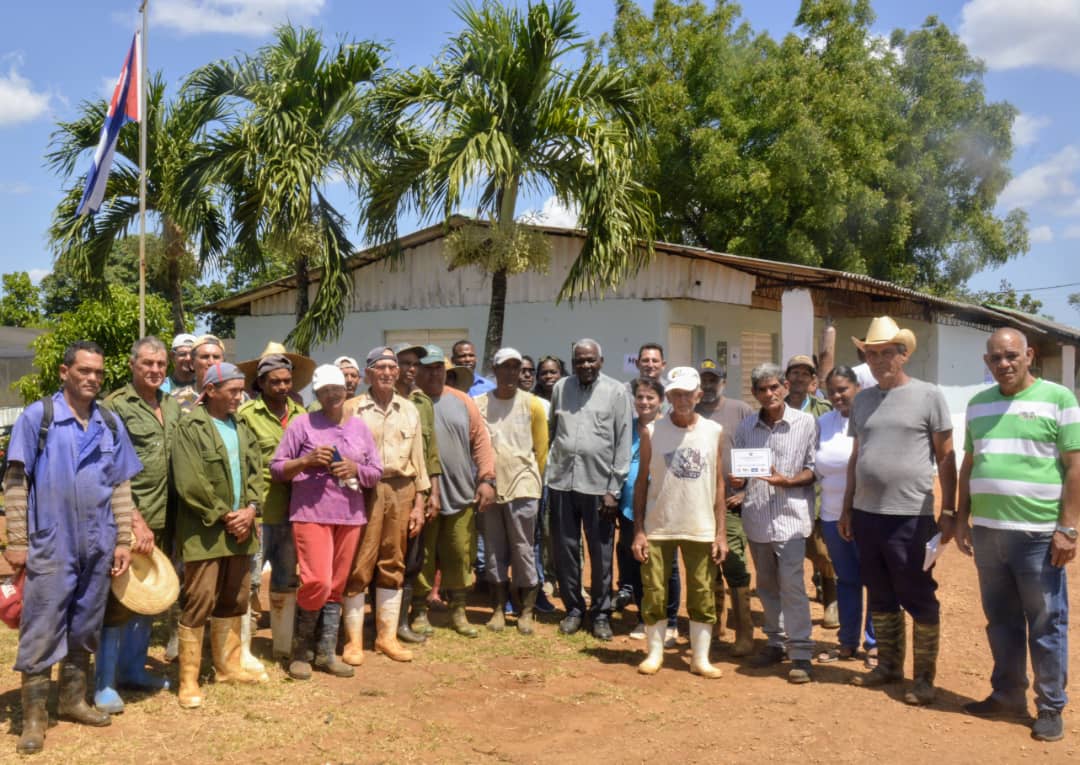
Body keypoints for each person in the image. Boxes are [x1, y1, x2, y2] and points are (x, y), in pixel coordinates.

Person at [3, 341, 140, 754]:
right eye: (84, 371)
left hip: (96, 545)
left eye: (98, 372)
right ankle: (34, 718)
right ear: (65, 372)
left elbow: (120, 486)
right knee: (41, 628)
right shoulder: (39, 418)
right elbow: (15, 483)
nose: (92, 378)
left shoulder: (109, 422)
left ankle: (73, 700)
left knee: (85, 625)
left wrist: (122, 539)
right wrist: (17, 541)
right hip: (51, 543)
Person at [956, 328, 1079, 742]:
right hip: (989, 534)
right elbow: (969, 465)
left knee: (1045, 622)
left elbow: (1074, 466)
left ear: (1029, 355)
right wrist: (961, 518)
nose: (1003, 364)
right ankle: (1007, 694)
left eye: (1011, 356)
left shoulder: (1058, 398)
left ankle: (1049, 706)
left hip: (1039, 536)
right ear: (986, 361)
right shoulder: (977, 405)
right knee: (1001, 621)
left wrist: (1068, 527)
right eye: (995, 358)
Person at [840, 316, 956, 706]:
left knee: (918, 593)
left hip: (912, 514)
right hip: (866, 514)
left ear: (903, 355)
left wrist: (950, 510)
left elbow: (946, 457)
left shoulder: (929, 395)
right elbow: (857, 456)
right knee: (881, 592)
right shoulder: (864, 400)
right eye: (871, 354)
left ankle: (924, 678)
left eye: (886, 353)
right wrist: (846, 508)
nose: (877, 360)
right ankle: (889, 666)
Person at [271, 364, 383, 680]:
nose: (332, 395)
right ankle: (300, 651)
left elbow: (376, 472)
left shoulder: (360, 428)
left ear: (346, 390)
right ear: (317, 395)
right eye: (324, 391)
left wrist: (354, 469)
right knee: (316, 580)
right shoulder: (301, 425)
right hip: (311, 514)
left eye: (337, 389)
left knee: (336, 585)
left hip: (350, 516)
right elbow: (277, 468)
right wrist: (306, 461)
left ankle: (325, 652)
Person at [95, 337, 181, 715]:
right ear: (132, 365)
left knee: (147, 598)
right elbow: (107, 470)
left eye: (161, 364)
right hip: (128, 520)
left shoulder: (172, 405)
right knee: (116, 601)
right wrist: (134, 518)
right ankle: (105, 682)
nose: (155, 370)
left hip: (165, 517)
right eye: (147, 363)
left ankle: (133, 669)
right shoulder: (115, 407)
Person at [171, 362, 264, 709]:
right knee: (200, 599)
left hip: (242, 529)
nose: (240, 397)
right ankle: (189, 679)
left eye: (241, 391)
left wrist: (251, 509)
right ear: (210, 391)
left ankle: (227, 667)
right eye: (234, 391)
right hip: (206, 531)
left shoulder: (241, 425)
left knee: (235, 597)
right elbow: (189, 481)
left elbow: (256, 470)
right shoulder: (190, 427)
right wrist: (227, 515)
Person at [632, 367, 727, 678]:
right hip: (659, 525)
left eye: (688, 393)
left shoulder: (714, 431)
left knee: (702, 590)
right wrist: (639, 530)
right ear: (668, 397)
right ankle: (654, 653)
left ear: (698, 394)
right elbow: (641, 483)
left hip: (700, 527)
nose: (682, 399)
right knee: (654, 589)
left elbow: (719, 483)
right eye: (676, 394)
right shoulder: (652, 432)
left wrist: (721, 533)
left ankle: (700, 658)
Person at [342, 347, 430, 663]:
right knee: (359, 561)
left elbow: (418, 460)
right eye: (381, 367)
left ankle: (386, 637)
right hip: (364, 490)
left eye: (392, 367)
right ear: (368, 373)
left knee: (394, 560)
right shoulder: (352, 408)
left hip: (402, 489)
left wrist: (419, 503)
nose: (388, 373)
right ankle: (352, 641)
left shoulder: (409, 409)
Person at [734, 363, 818, 684]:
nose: (769, 394)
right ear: (754, 393)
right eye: (761, 389)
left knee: (793, 585)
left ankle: (801, 653)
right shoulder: (745, 428)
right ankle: (775, 641)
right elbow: (742, 477)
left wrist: (788, 481)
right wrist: (737, 480)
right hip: (757, 519)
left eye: (773, 387)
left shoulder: (806, 424)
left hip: (792, 519)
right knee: (766, 586)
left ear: (784, 387)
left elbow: (813, 470)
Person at [547, 338, 632, 640]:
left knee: (601, 553)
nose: (585, 365)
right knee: (566, 550)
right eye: (579, 361)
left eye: (590, 360)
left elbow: (623, 442)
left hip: (599, 488)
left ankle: (601, 614)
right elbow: (552, 433)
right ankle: (573, 609)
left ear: (601, 361)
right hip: (562, 483)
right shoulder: (561, 388)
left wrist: (614, 488)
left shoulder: (616, 391)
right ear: (572, 363)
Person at [414, 346, 496, 637]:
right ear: (418, 372)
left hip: (461, 494)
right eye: (428, 368)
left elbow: (481, 442)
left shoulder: (463, 401)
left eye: (439, 368)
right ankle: (419, 611)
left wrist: (486, 479)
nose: (435, 373)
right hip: (423, 496)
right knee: (422, 555)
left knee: (461, 553)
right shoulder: (411, 402)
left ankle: (458, 611)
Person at [237, 353, 308, 663]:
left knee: (285, 578)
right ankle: (241, 649)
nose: (282, 387)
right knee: (250, 581)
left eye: (287, 381)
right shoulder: (246, 415)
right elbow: (241, 466)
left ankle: (282, 644)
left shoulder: (301, 414)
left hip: (294, 512)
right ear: (261, 383)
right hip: (260, 511)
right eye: (275, 381)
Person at [475, 348, 548, 634]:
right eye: (504, 367)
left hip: (523, 486)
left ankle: (526, 611)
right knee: (493, 549)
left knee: (523, 548)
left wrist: (529, 478)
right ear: (494, 370)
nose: (510, 373)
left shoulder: (532, 404)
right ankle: (497, 609)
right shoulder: (479, 404)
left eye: (515, 368)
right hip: (490, 487)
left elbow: (541, 449)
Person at [814, 366, 876, 665]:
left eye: (843, 390)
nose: (838, 396)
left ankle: (875, 643)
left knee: (876, 580)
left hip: (868, 515)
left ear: (857, 387)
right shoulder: (823, 423)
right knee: (847, 580)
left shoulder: (873, 420)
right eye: (832, 391)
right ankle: (848, 642)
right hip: (830, 515)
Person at [614, 377, 681, 643]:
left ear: (661, 401)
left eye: (650, 398)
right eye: (640, 397)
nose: (644, 402)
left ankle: (672, 622)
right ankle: (644, 618)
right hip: (632, 507)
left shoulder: (669, 428)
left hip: (665, 508)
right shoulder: (626, 428)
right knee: (638, 561)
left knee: (669, 567)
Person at [695, 359, 755, 656]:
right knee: (706, 565)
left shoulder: (741, 410)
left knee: (733, 560)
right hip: (700, 502)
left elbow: (756, 452)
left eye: (713, 379)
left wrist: (746, 490)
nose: (708, 385)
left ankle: (744, 631)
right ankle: (714, 626)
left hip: (731, 502)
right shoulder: (690, 412)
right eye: (703, 380)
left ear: (723, 382)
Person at [785, 354, 839, 630]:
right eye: (794, 373)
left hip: (818, 490)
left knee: (823, 550)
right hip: (785, 490)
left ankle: (831, 599)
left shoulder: (825, 408)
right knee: (795, 547)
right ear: (787, 378)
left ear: (812, 380)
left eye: (805, 374)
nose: (799, 378)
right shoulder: (775, 408)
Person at [393, 342, 442, 644]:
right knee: (384, 558)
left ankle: (402, 622)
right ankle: (379, 622)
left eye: (416, 364)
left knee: (412, 558)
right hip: (386, 491)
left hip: (417, 491)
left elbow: (431, 452)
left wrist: (433, 493)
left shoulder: (424, 403)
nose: (412, 369)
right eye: (406, 363)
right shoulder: (376, 401)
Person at [161, 333, 199, 411]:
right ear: (172, 356)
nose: (188, 358)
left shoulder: (204, 386)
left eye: (192, 355)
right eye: (182, 354)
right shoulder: (162, 386)